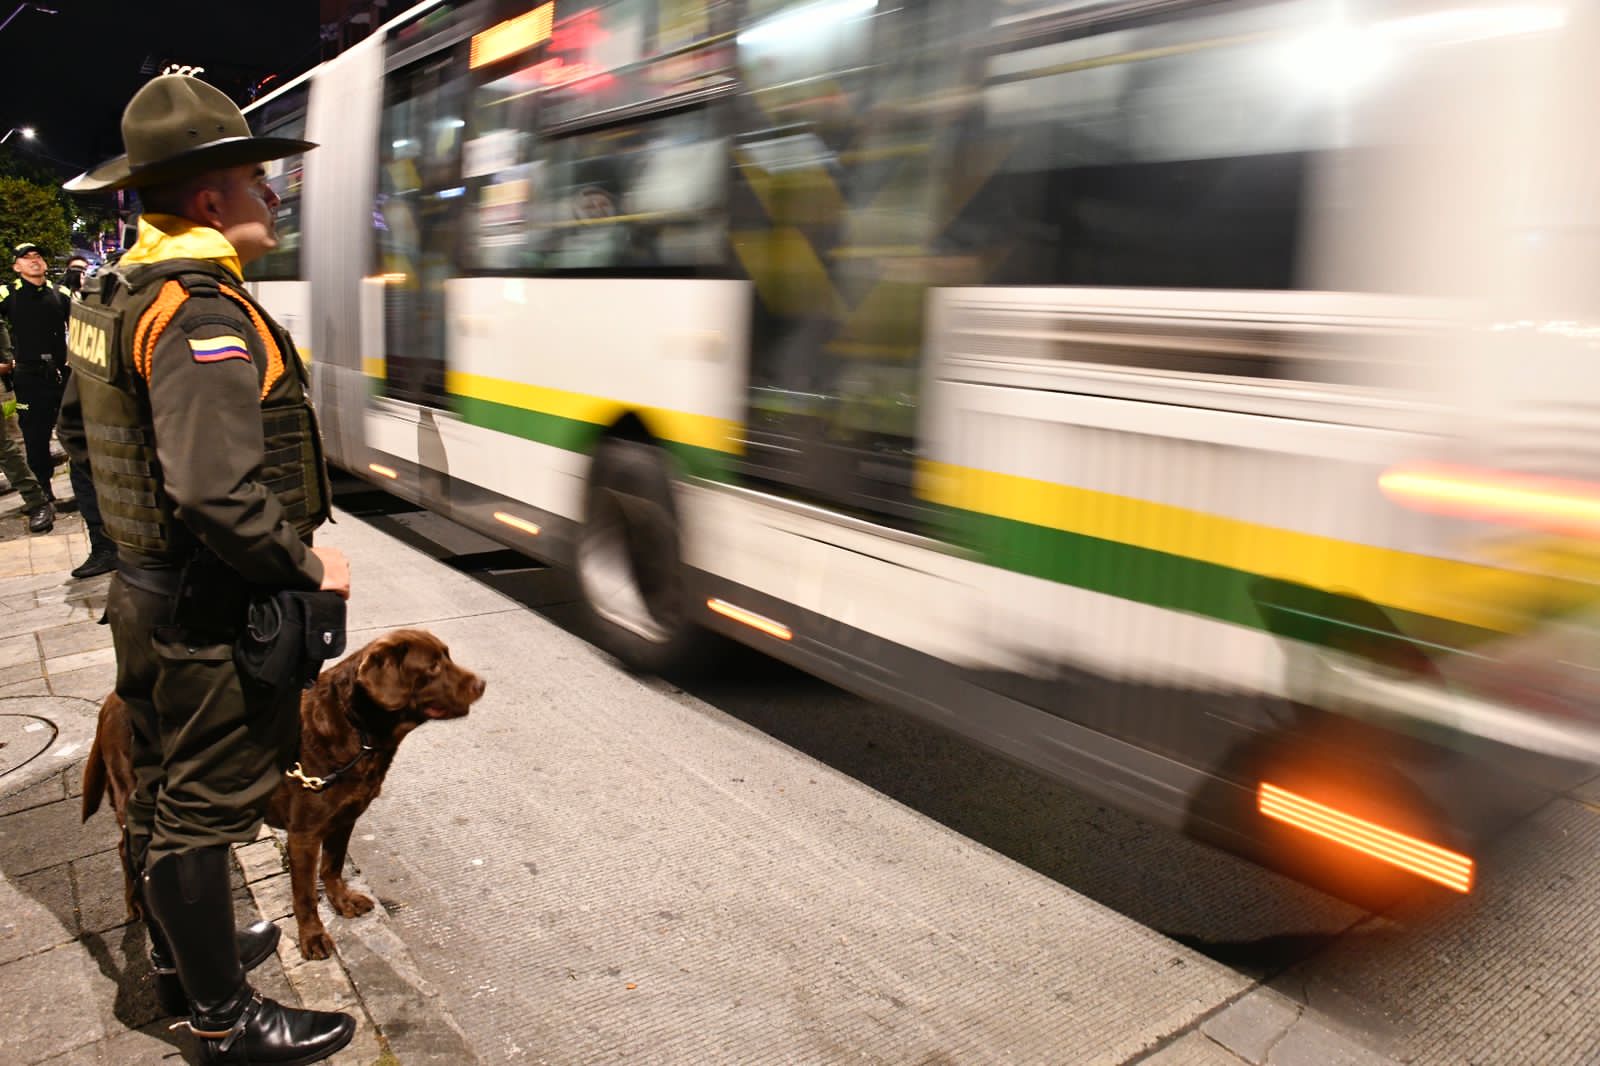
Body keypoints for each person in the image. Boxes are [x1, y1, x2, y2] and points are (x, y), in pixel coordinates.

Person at [59, 75, 355, 1064]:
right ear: (213, 200)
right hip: (201, 605)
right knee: (200, 797)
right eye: (260, 182)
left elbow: (76, 434)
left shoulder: (114, 294)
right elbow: (217, 494)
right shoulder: (200, 314)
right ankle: (221, 1016)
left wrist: (133, 554)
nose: (275, 199)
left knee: (160, 780)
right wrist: (309, 564)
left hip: (148, 592)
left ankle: (192, 958)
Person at [0, 243, 72, 509]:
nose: (34, 261)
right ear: (16, 267)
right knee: (35, 438)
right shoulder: (8, 293)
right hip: (29, 377)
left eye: (38, 256)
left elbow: (81, 323)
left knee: (73, 432)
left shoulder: (60, 292)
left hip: (61, 374)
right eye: (26, 258)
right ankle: (43, 499)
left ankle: (83, 491)